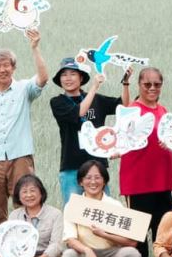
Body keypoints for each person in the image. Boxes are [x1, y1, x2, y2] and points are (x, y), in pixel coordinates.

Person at [0, 30, 50, 235]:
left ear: (13, 67)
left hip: (20, 156)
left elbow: (43, 78)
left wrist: (35, 48)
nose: (2, 70)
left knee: (25, 205)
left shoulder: (24, 89)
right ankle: (0, 249)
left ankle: (26, 247)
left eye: (6, 65)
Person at [61, 160, 144, 257]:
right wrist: (87, 250)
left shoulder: (114, 205)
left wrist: (104, 234)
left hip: (111, 255)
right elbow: (70, 239)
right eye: (88, 177)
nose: (93, 182)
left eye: (97, 177)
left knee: (133, 255)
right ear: (81, 182)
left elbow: (131, 242)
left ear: (104, 181)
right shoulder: (73, 205)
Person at [49, 56, 127, 205]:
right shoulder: (58, 102)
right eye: (64, 75)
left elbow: (123, 104)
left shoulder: (97, 99)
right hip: (72, 167)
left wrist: (126, 83)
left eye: (73, 74)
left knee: (103, 209)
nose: (68, 78)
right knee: (74, 211)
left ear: (81, 78)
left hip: (97, 166)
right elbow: (79, 112)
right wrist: (94, 87)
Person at [119, 66, 172, 257]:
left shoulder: (164, 111)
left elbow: (171, 143)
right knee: (139, 225)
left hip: (163, 177)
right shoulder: (131, 110)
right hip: (138, 178)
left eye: (157, 84)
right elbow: (120, 138)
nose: (152, 88)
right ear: (139, 85)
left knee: (163, 223)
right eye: (147, 84)